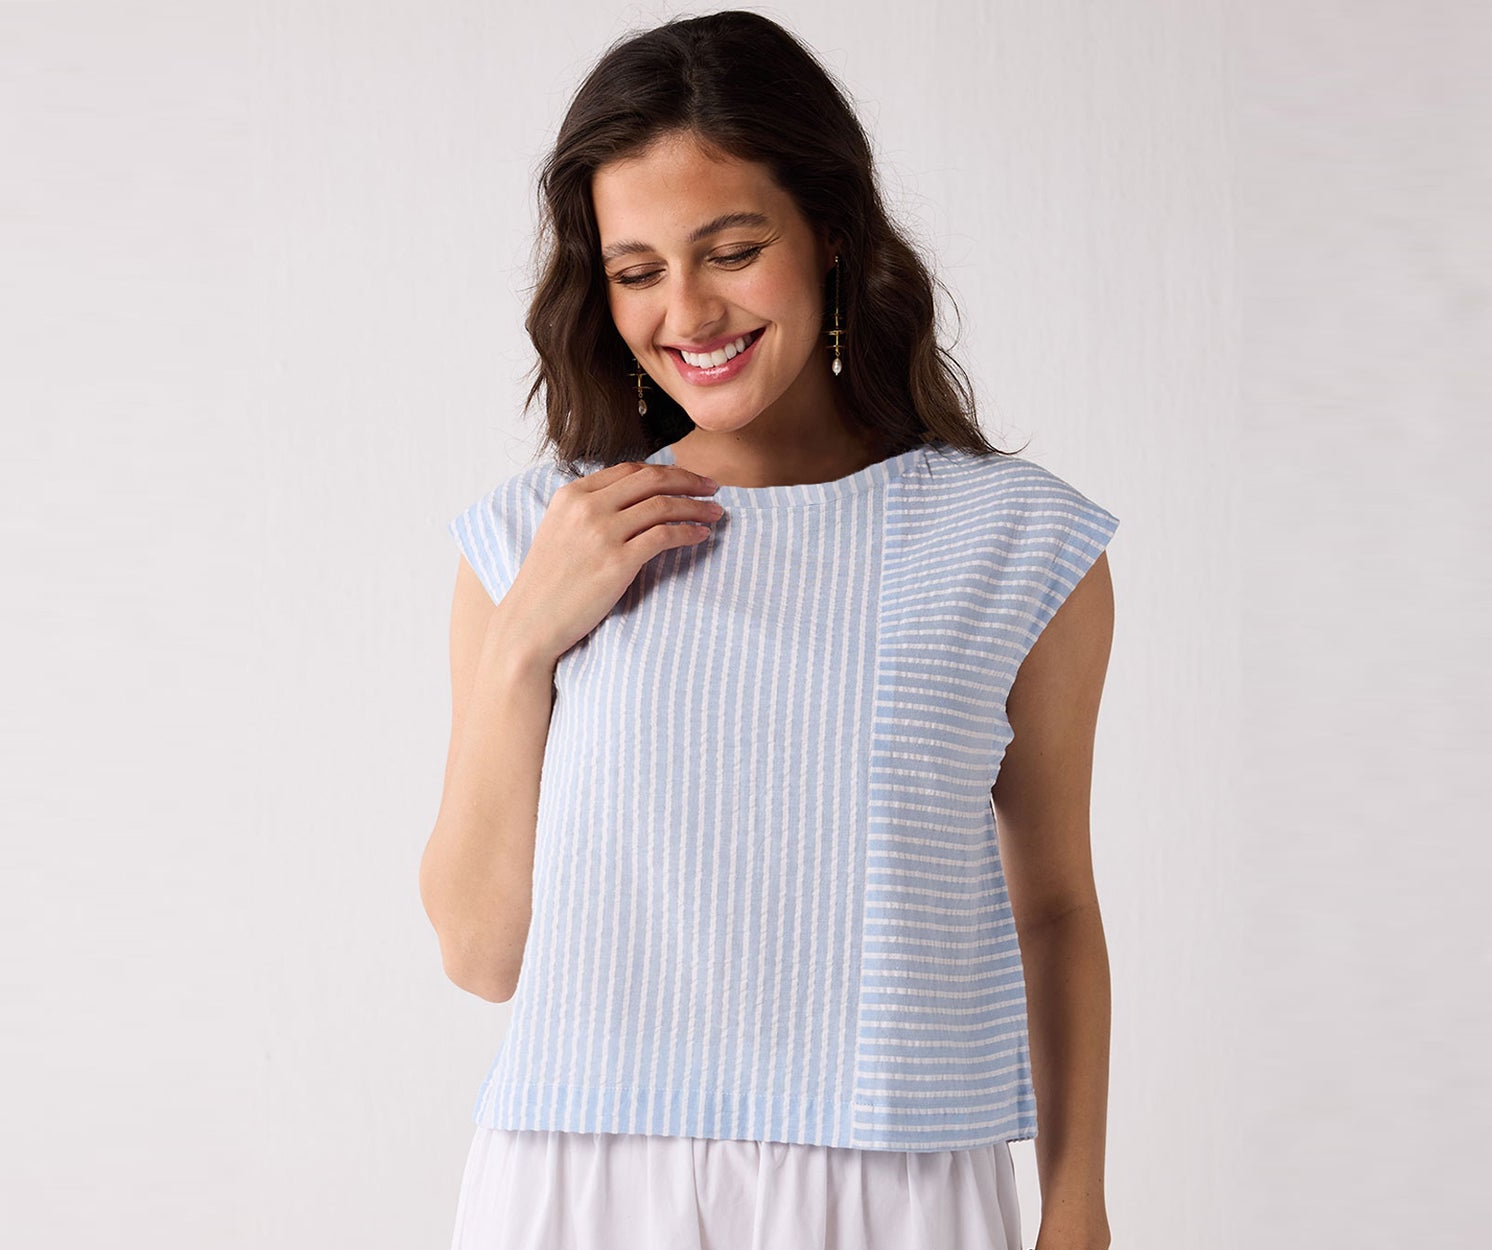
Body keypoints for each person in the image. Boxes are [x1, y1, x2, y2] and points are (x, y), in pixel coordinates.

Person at [420, 12, 1119, 1250]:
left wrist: (1076, 1210)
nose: (688, 310)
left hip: (894, 1171)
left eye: (732, 250)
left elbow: (1054, 904)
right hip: (580, 1178)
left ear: (830, 235)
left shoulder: (1013, 538)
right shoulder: (537, 537)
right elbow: (480, 954)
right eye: (636, 270)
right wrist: (525, 638)